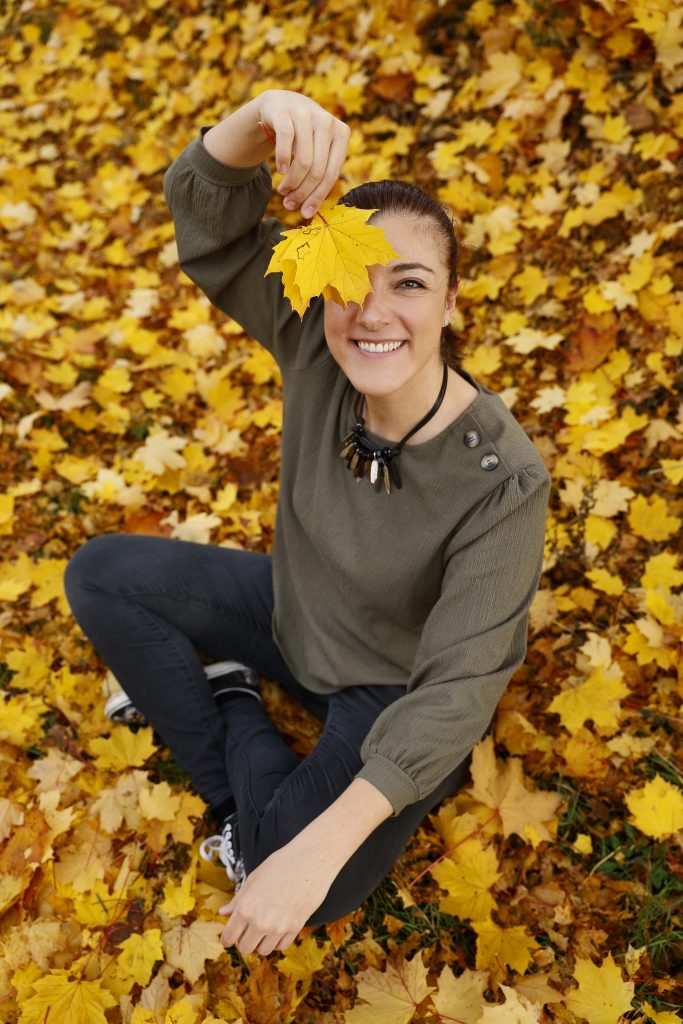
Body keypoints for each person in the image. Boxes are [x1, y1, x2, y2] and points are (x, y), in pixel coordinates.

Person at [64, 89, 551, 957]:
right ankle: (237, 743)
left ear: (450, 302)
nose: (372, 313)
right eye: (349, 284)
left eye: (409, 284)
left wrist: (316, 851)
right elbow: (212, 231)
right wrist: (260, 115)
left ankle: (227, 715)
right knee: (99, 574)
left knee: (303, 878)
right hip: (293, 614)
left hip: (393, 691)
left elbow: (459, 686)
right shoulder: (316, 343)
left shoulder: (502, 479)